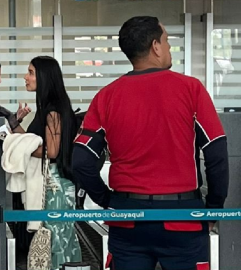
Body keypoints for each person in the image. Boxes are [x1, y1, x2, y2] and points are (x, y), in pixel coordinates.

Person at [72, 16, 229, 270]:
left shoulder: (106, 96)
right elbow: (217, 152)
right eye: (166, 41)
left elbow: (81, 160)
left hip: (127, 220)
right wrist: (213, 208)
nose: (168, 49)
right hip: (183, 218)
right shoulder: (191, 89)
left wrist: (107, 200)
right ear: (156, 46)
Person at [15, 56, 82, 269]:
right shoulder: (50, 107)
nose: (26, 77)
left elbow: (51, 150)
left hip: (55, 185)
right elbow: (35, 141)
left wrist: (19, 149)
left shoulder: (53, 110)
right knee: (59, 241)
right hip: (56, 183)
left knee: (56, 241)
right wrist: (15, 126)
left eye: (31, 72)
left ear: (44, 77)